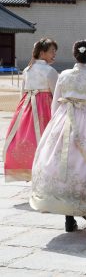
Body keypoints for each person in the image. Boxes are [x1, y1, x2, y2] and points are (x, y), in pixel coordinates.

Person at [30, 40, 86, 232]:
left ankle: (69, 217)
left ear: (75, 55)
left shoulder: (64, 75)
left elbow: (55, 103)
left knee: (66, 164)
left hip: (64, 121)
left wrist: (54, 126)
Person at [3, 38, 58, 182]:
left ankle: (28, 169)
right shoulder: (50, 71)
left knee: (27, 138)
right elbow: (57, 94)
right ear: (42, 52)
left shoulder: (27, 70)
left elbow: (22, 93)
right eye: (52, 51)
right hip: (44, 108)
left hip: (26, 108)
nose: (54, 54)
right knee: (45, 139)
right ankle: (44, 172)